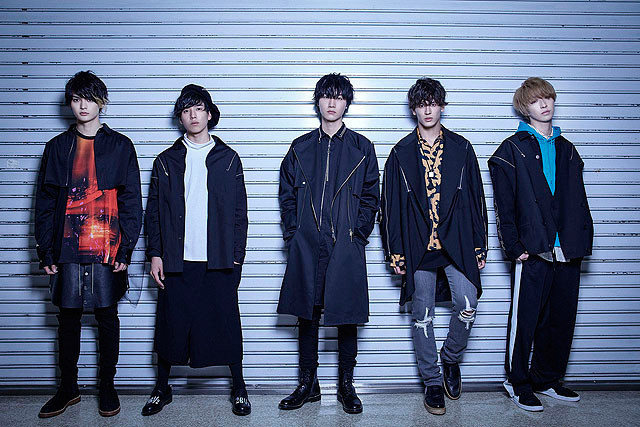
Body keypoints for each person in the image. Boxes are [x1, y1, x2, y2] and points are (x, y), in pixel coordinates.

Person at [35, 70, 143, 418]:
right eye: (76, 99)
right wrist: (45, 250)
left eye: (89, 98)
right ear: (70, 103)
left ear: (102, 102)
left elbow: (131, 202)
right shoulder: (56, 147)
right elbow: (44, 203)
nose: (83, 105)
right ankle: (68, 388)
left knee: (107, 316)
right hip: (66, 246)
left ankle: (107, 386)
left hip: (106, 246)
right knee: (68, 318)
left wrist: (126, 249)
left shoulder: (121, 146)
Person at [380, 77, 488, 415]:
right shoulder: (400, 153)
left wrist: (479, 245)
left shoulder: (462, 148)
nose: (428, 110)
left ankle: (450, 358)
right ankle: (432, 381)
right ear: (413, 109)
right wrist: (394, 252)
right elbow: (390, 207)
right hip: (418, 245)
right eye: (421, 104)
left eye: (433, 103)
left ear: (442, 106)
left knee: (468, 304)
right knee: (422, 315)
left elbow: (476, 199)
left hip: (457, 241)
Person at [142, 84, 250, 416]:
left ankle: (239, 387)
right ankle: (162, 387)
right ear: (180, 117)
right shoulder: (166, 160)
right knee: (171, 324)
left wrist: (237, 256)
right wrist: (155, 253)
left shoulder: (228, 158)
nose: (193, 115)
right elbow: (154, 211)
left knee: (226, 323)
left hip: (218, 258)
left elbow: (240, 213)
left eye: (199, 108)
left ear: (210, 114)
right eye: (187, 110)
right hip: (177, 259)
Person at [488, 77, 593, 412]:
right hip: (533, 248)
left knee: (561, 319)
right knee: (525, 320)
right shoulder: (512, 149)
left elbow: (578, 199)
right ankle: (517, 382)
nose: (544, 104)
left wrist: (582, 240)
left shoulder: (567, 148)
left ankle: (546, 379)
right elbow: (504, 204)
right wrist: (513, 245)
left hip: (568, 248)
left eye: (548, 98)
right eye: (536, 100)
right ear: (525, 107)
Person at [277, 73, 380, 414]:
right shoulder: (300, 146)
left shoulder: (362, 147)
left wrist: (358, 234)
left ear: (347, 103)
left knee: (346, 315)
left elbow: (372, 197)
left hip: (345, 244)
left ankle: (346, 386)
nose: (332, 102)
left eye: (338, 97)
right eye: (326, 96)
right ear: (318, 101)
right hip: (308, 243)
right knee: (307, 314)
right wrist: (294, 233)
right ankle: (308, 384)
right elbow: (286, 194)